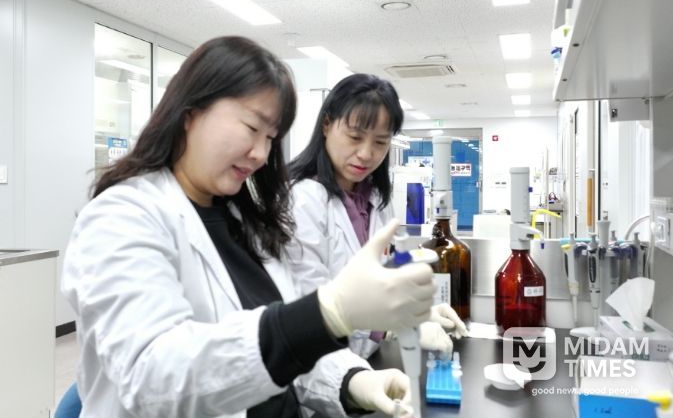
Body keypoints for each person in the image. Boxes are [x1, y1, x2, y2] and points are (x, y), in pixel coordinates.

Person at [61, 37, 436, 418]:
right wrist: (327, 313)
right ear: (190, 112)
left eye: (270, 138)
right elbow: (154, 375)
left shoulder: (246, 224)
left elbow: (284, 351)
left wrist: (352, 380)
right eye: (252, 128)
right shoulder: (122, 217)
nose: (260, 153)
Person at [288, 73, 468, 359]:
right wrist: (391, 327)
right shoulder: (303, 201)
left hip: (367, 358)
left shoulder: (376, 200)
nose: (366, 154)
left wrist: (417, 312)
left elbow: (385, 280)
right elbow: (310, 305)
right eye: (355, 137)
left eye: (381, 142)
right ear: (326, 125)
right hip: (322, 365)